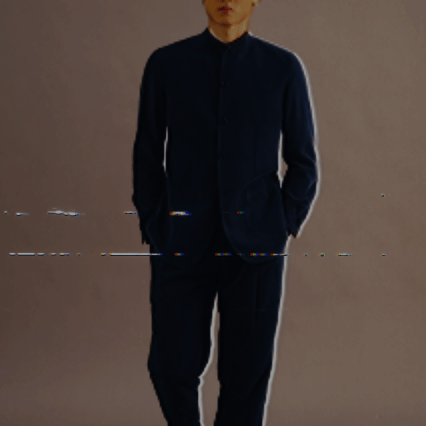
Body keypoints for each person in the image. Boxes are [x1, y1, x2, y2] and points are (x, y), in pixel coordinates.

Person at [131, 0, 319, 424]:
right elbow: (147, 153)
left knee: (247, 372)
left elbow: (303, 161)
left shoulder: (283, 67)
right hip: (180, 241)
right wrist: (154, 222)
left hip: (257, 245)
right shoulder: (166, 64)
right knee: (170, 364)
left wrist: (283, 222)